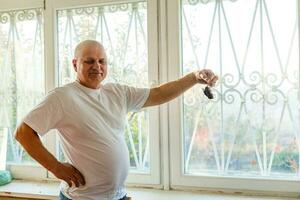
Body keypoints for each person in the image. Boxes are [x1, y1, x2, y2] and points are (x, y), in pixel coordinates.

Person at [15, 40, 218, 200]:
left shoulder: (116, 92)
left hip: (117, 196)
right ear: (75, 64)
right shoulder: (62, 97)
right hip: (82, 198)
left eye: (102, 61)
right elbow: (24, 133)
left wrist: (194, 77)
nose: (97, 66)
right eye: (89, 61)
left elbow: (159, 94)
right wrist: (57, 168)